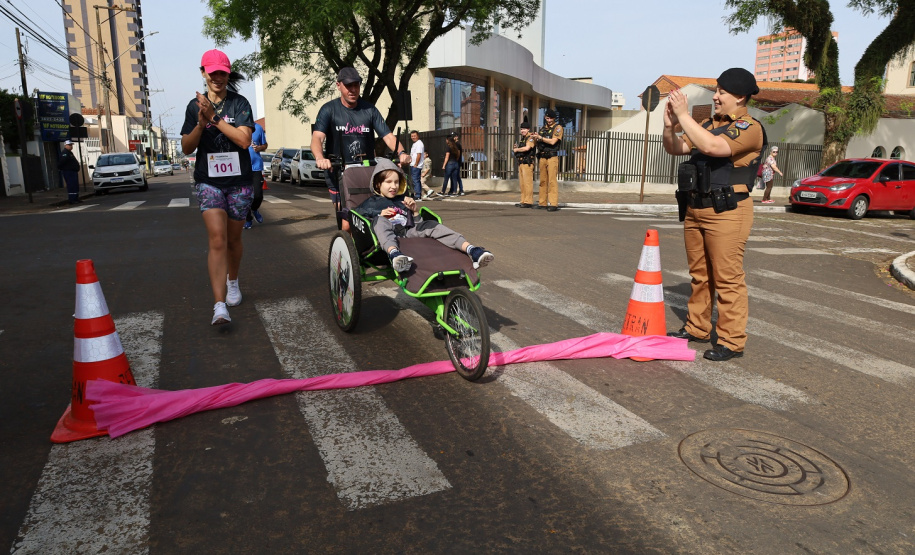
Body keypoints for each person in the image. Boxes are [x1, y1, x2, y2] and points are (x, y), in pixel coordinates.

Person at [663, 68, 765, 362]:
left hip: (728, 211)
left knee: (727, 278)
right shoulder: (708, 123)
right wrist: (670, 126)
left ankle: (732, 342)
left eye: (721, 92)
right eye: (716, 91)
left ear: (740, 96)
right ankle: (696, 327)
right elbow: (677, 148)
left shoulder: (749, 128)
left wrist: (683, 116)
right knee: (699, 275)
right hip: (697, 206)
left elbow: (711, 146)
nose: (716, 97)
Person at [180, 49, 255, 326]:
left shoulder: (240, 104)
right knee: (217, 239)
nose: (217, 78)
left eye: (222, 73)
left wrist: (215, 119)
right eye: (212, 73)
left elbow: (244, 141)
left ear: (228, 74)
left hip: (239, 182)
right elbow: (187, 147)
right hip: (208, 180)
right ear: (203, 73)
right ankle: (219, 305)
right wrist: (200, 125)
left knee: (234, 240)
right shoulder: (193, 106)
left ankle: (232, 281)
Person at [356, 158, 493, 272]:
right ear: (378, 184)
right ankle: (394, 255)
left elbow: (416, 225)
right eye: (389, 182)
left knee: (431, 225)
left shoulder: (402, 200)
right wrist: (379, 214)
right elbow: (356, 215)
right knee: (381, 221)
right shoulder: (371, 202)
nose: (394, 186)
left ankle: (472, 250)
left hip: (408, 233)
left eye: (397, 182)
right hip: (386, 240)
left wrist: (414, 211)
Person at [312, 67, 411, 209]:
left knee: (372, 212)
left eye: (356, 85)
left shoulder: (369, 110)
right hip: (339, 170)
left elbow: (388, 136)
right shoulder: (329, 109)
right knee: (347, 221)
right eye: (348, 85)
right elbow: (317, 138)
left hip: (367, 170)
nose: (353, 89)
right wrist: (320, 158)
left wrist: (401, 153)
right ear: (338, 85)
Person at [531, 109, 563, 211]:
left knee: (552, 181)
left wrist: (540, 138)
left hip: (552, 157)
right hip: (542, 157)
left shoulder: (557, 128)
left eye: (551, 118)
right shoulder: (542, 129)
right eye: (547, 118)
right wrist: (535, 137)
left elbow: (553, 141)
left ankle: (553, 204)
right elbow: (537, 142)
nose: (549, 120)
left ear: (554, 119)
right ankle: (542, 202)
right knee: (543, 181)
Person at [244, 122, 269, 229]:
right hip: (240, 168)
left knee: (258, 195)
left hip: (256, 167)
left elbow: (265, 145)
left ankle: (254, 209)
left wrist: (259, 148)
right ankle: (248, 219)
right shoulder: (234, 126)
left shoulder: (258, 128)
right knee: (243, 197)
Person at [513, 121, 536, 208]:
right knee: (522, 183)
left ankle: (528, 201)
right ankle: (523, 200)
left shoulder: (530, 137)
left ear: (528, 129)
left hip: (527, 163)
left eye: (524, 129)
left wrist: (517, 150)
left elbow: (527, 148)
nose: (522, 130)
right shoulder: (523, 138)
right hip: (521, 162)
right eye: (521, 129)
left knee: (527, 183)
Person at [59, 140, 81, 204]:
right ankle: (72, 199)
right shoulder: (65, 153)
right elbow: (62, 162)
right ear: (65, 145)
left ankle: (76, 198)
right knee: (71, 185)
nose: (71, 146)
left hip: (73, 172)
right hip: (69, 172)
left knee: (75, 185)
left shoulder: (70, 153)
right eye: (69, 145)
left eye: (71, 145)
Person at [409, 130, 426, 199]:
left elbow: (419, 154)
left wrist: (416, 164)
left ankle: (418, 195)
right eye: (412, 136)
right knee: (413, 180)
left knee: (416, 180)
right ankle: (415, 193)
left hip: (416, 165)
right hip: (413, 164)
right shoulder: (415, 144)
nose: (413, 137)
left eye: (414, 136)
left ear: (418, 136)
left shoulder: (419, 143)